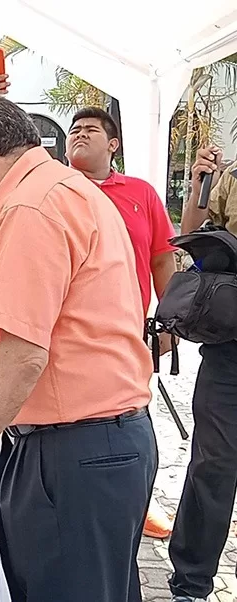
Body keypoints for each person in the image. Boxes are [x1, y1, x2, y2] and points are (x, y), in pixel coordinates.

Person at [0, 94, 156, 602]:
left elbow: (21, 355)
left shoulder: (30, 208)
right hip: (98, 443)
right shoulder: (67, 187)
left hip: (74, 449)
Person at [64, 105, 179, 539]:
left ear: (113, 145)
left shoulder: (140, 192)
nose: (79, 135)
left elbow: (162, 258)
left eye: (90, 130)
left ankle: (137, 501)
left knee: (131, 416)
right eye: (74, 130)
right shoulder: (57, 189)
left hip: (128, 331)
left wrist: (170, 320)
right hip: (71, 332)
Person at [170, 146, 237, 602]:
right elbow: (190, 240)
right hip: (229, 349)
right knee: (213, 464)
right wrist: (200, 181)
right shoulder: (230, 175)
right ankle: (190, 584)